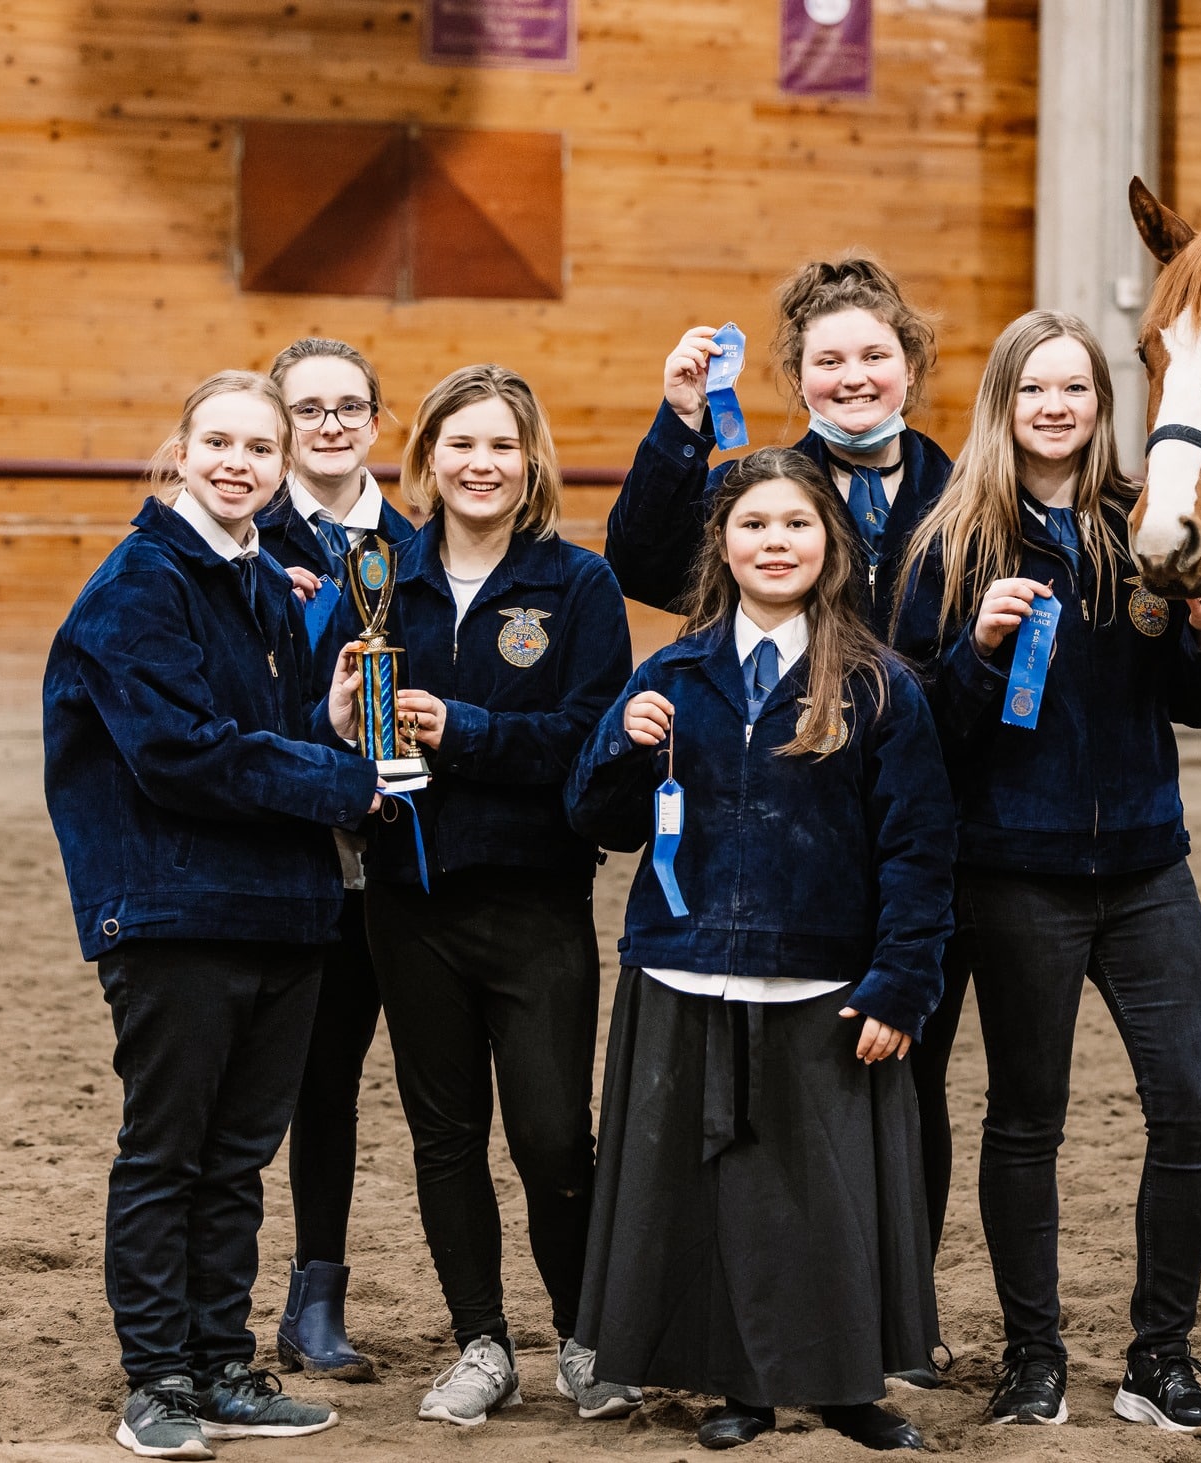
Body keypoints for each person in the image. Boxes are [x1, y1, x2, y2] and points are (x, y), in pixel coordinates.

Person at [894, 311, 1201, 1437]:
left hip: (1148, 870)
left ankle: (1160, 1355)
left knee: (1191, 1104)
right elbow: (921, 729)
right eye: (1034, 388)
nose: (1056, 407)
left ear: (1104, 404)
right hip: (1015, 876)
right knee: (1026, 1120)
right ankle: (1033, 1356)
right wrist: (976, 651)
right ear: (1003, 403)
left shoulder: (1142, 523)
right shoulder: (952, 542)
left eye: (1076, 388)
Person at [603, 260, 968, 1360]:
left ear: (910, 364)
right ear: (795, 375)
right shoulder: (774, 491)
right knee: (784, 1099)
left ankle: (891, 1324)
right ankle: (762, 1332)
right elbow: (644, 560)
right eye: (828, 359)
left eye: (874, 355)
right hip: (788, 833)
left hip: (923, 821)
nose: (853, 376)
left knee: (907, 1079)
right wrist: (679, 423)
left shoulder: (965, 489)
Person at [567, 448, 955, 1451]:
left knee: (827, 1200)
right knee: (715, 1194)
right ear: (721, 543)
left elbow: (918, 850)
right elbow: (599, 820)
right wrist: (616, 742)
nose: (774, 541)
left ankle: (847, 1389)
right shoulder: (671, 673)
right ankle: (739, 1384)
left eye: (795, 523)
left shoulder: (879, 686)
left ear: (830, 542)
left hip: (824, 981)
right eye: (753, 524)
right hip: (683, 967)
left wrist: (901, 983)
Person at [43, 370, 382, 1460]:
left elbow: (266, 735)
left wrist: (332, 724)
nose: (239, 463)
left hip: (281, 910)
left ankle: (221, 1361)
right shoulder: (138, 585)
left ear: (283, 467)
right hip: (173, 909)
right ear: (180, 451)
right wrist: (342, 782)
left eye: (259, 448)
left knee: (236, 1158)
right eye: (219, 442)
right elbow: (180, 753)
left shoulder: (263, 581)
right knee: (168, 1152)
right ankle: (157, 1379)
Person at [337, 364, 636, 1428]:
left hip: (536, 902)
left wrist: (464, 729)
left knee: (553, 1137)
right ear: (426, 459)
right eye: (459, 444)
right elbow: (331, 721)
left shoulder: (578, 586)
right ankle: (482, 1342)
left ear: (530, 459)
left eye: (502, 444)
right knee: (445, 1134)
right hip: (408, 900)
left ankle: (585, 1336)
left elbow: (588, 740)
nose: (481, 464)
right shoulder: (378, 575)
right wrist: (340, 720)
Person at [252, 337, 418, 1382]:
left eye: (348, 406)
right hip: (286, 848)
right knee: (307, 1079)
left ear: (374, 419)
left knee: (378, 1078)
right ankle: (303, 1294)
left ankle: (340, 1292)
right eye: (307, 408)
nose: (329, 425)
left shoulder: (416, 546)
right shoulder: (240, 537)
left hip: (394, 854)